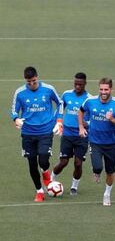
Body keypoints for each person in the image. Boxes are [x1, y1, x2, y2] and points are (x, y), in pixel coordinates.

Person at [10, 66, 63, 202]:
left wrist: (58, 121)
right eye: (29, 82)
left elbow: (60, 103)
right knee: (32, 164)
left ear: (37, 77)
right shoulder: (20, 93)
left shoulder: (48, 89)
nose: (32, 84)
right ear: (25, 81)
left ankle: (45, 173)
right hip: (28, 133)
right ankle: (39, 191)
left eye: (33, 81)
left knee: (43, 159)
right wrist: (16, 119)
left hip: (45, 131)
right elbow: (14, 110)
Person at [78, 78, 115, 206]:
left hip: (110, 143)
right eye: (101, 89)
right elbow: (81, 111)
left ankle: (107, 194)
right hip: (95, 141)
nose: (103, 92)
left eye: (106, 89)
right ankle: (96, 171)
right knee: (98, 167)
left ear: (111, 89)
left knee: (110, 171)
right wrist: (81, 127)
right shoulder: (90, 101)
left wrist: (112, 119)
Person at [51, 73, 92, 195]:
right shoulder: (66, 94)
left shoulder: (90, 99)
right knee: (63, 162)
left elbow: (93, 118)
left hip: (81, 135)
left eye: (80, 84)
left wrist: (87, 123)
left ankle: (74, 186)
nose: (77, 86)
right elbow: (60, 109)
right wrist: (55, 123)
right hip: (67, 133)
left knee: (78, 163)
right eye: (76, 84)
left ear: (85, 84)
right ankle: (52, 179)